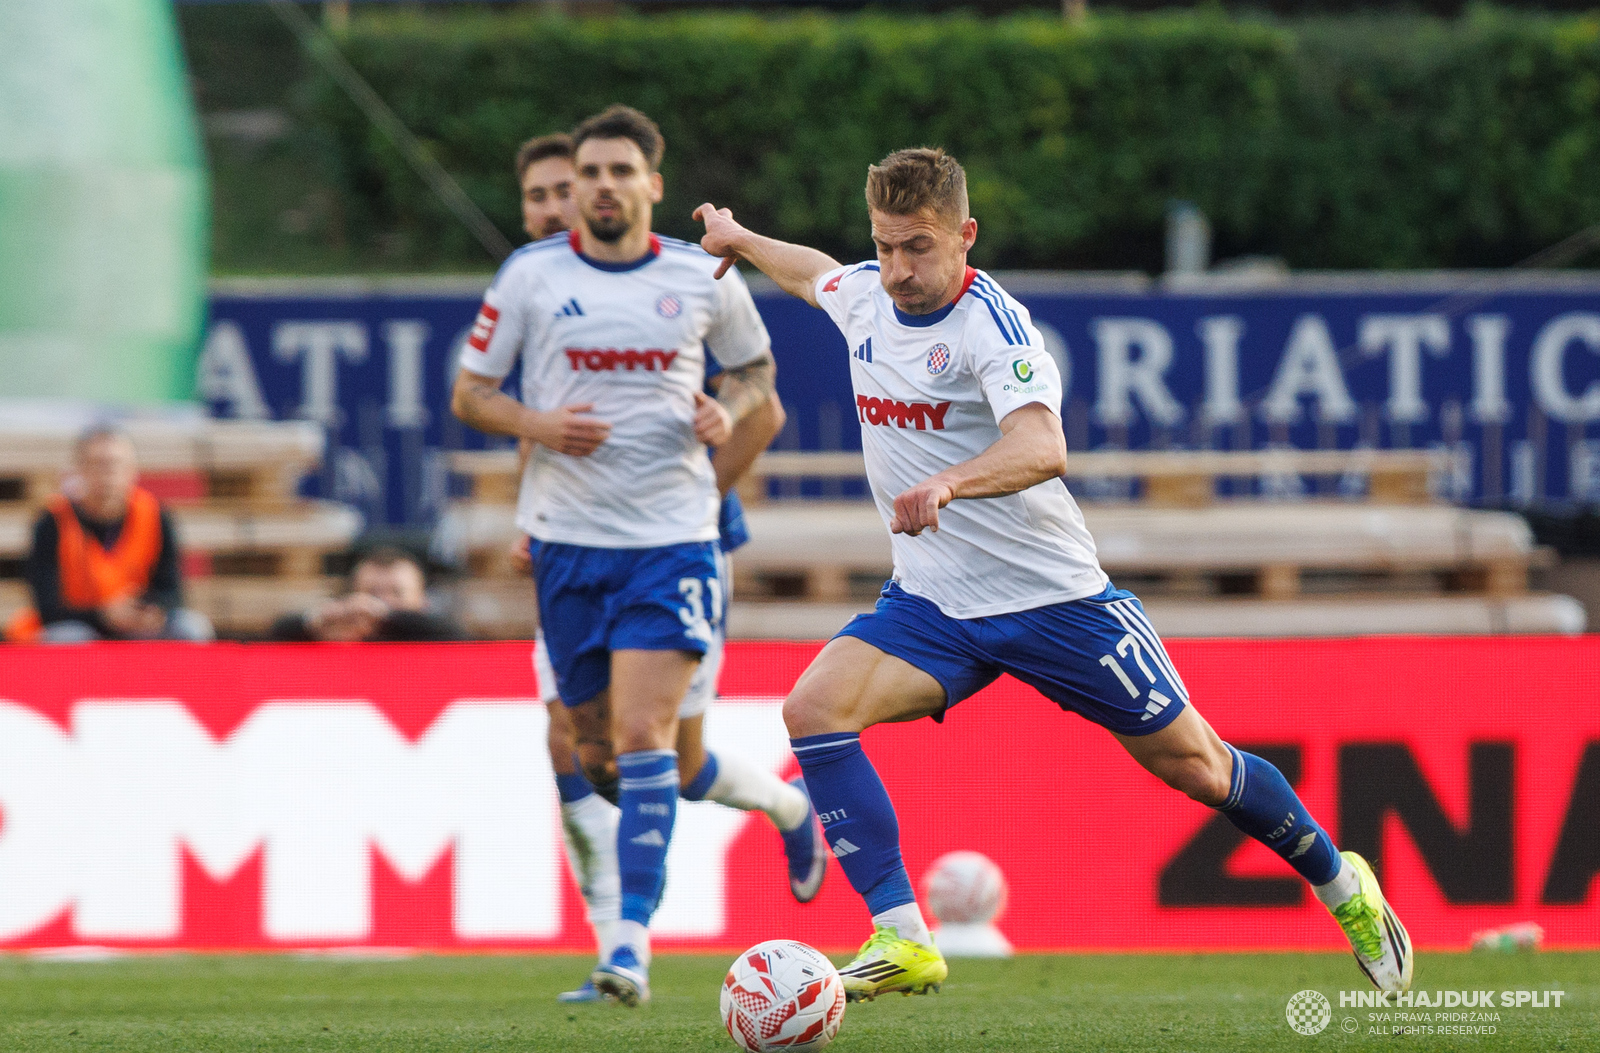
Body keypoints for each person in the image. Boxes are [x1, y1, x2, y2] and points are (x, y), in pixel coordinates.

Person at [695, 147, 1414, 1001]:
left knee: (1198, 767)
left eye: (917, 247)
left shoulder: (994, 327)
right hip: (933, 602)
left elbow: (1044, 446)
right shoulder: (866, 295)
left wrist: (952, 480)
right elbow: (815, 274)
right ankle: (904, 935)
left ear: (966, 236)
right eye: (884, 246)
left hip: (1056, 602)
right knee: (813, 709)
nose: (896, 270)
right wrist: (739, 237)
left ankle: (1344, 884)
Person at [450, 105, 822, 1006]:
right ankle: (786, 805)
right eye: (587, 175)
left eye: (621, 171)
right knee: (604, 753)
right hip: (571, 551)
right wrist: (539, 430)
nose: (601, 187)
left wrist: (721, 421)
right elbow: (471, 393)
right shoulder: (531, 278)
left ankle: (626, 952)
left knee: (642, 737)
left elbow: (759, 381)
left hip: (675, 544)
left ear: (653, 184)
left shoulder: (700, 279)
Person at [5, 425, 212, 643]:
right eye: (98, 464)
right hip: (82, 627)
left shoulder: (155, 516)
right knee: (66, 638)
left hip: (139, 627)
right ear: (80, 470)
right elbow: (47, 608)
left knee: (191, 628)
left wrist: (152, 610)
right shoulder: (52, 522)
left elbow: (173, 592)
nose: (108, 473)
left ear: (133, 469)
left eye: (116, 464)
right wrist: (104, 615)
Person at [268, 545, 464, 642]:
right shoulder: (336, 637)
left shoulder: (440, 641)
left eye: (396, 592)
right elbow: (274, 637)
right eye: (372, 593)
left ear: (423, 600)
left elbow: (460, 640)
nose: (382, 601)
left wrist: (386, 615)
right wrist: (317, 621)